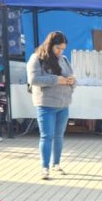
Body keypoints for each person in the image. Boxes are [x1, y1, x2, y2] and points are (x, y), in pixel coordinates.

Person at [27, 31, 75, 180]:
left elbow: (72, 76)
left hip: (63, 104)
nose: (60, 52)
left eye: (63, 49)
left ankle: (56, 164)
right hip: (46, 104)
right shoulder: (36, 58)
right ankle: (45, 167)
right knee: (47, 136)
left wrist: (72, 81)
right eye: (58, 48)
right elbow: (33, 80)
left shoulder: (64, 59)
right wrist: (56, 80)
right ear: (50, 45)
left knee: (59, 135)